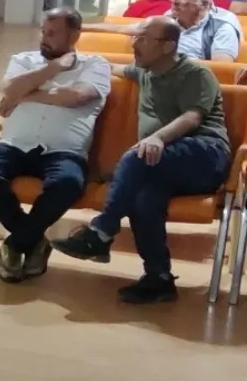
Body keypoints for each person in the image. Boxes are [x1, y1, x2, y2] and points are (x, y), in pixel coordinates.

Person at [52, 18, 232, 303]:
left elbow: (192, 117)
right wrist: (73, 61)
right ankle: (159, 277)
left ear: (168, 46)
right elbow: (112, 67)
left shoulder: (195, 74)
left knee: (136, 157)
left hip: (205, 154)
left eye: (144, 39)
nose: (134, 44)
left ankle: (100, 232)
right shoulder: (145, 72)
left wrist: (157, 138)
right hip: (161, 163)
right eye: (136, 37)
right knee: (144, 199)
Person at [0, 8, 111, 282]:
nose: (45, 38)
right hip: (14, 145)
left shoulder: (95, 65)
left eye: (53, 33)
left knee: (67, 184)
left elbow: (76, 96)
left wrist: (25, 95)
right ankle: (34, 241)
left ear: (75, 35)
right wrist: (54, 68)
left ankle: (16, 243)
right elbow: (9, 89)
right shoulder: (23, 60)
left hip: (64, 151)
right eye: (43, 32)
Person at [85, 0, 241, 62]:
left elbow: (221, 69)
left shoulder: (223, 25)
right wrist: (81, 26)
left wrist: (171, 66)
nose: (174, 1)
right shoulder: (171, 16)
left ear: (204, 4)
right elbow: (126, 28)